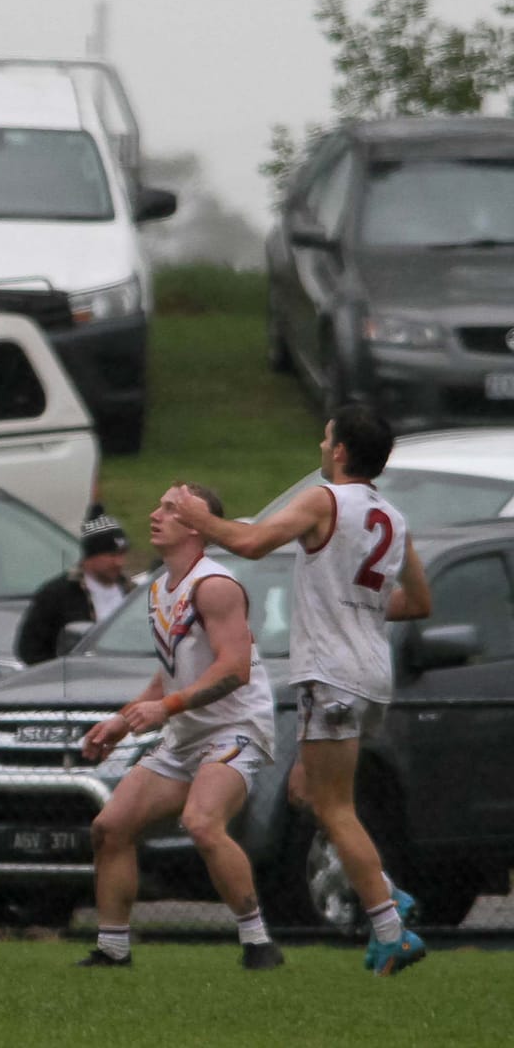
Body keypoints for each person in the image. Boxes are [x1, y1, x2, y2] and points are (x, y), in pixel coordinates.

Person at [174, 405, 432, 976]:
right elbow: (417, 603)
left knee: (336, 808)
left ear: (340, 452)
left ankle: (391, 929)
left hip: (333, 671)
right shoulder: (393, 516)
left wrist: (199, 517)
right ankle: (383, 889)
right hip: (370, 673)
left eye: (325, 437)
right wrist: (356, 601)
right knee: (307, 795)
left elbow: (253, 544)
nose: (321, 445)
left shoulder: (326, 500)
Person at [78, 482, 285, 970]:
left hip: (235, 728)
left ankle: (259, 944)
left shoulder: (215, 586)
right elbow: (173, 671)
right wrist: (123, 721)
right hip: (185, 735)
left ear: (196, 526)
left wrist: (166, 708)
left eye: (171, 509)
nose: (155, 514)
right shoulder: (158, 588)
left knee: (201, 822)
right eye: (159, 504)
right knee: (109, 828)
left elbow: (235, 669)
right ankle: (112, 950)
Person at [15, 505, 135, 665]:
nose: (119, 562)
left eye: (122, 554)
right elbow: (29, 649)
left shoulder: (133, 592)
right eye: (112, 555)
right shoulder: (57, 594)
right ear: (90, 556)